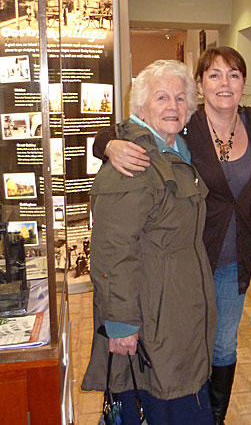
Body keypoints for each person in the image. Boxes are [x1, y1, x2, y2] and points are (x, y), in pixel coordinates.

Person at [92, 47, 251, 424]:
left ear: (245, 83)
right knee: (175, 354)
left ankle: (212, 415)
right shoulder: (187, 125)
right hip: (189, 259)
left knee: (220, 347)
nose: (225, 83)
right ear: (201, 85)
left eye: (234, 75)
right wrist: (109, 145)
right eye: (214, 74)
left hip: (231, 259)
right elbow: (126, 129)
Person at [82, 60, 216, 423]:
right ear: (140, 108)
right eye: (161, 98)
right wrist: (122, 324)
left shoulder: (177, 150)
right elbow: (113, 252)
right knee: (162, 403)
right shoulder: (134, 162)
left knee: (181, 397)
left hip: (178, 312)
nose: (173, 106)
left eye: (179, 98)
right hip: (151, 317)